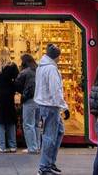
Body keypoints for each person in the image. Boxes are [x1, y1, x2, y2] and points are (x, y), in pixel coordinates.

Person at [34, 44, 68, 175]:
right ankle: (44, 167)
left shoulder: (41, 67)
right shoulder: (51, 69)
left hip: (44, 104)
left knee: (59, 131)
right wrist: (64, 106)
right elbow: (55, 90)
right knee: (49, 136)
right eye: (59, 57)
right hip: (51, 105)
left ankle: (49, 162)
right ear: (56, 57)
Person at [16, 54, 40, 154]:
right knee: (36, 124)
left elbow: (17, 85)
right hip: (39, 100)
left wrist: (23, 92)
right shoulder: (39, 70)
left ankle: (32, 148)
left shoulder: (24, 72)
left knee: (28, 124)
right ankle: (37, 146)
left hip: (29, 99)